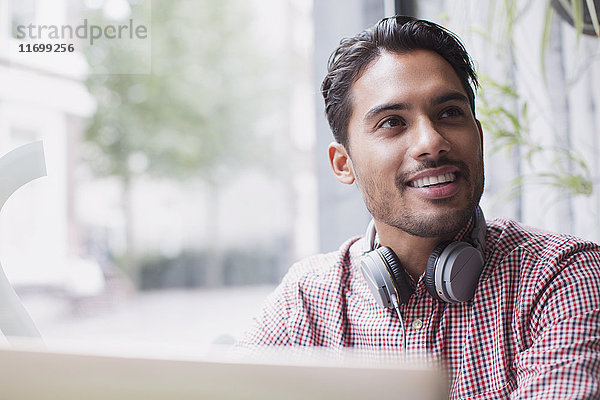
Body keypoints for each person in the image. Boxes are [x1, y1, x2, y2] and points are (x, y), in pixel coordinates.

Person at [238, 16, 600, 398]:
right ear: (343, 164)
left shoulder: (562, 279)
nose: (431, 141)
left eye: (448, 113)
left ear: (478, 136)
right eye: (392, 122)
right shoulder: (307, 300)